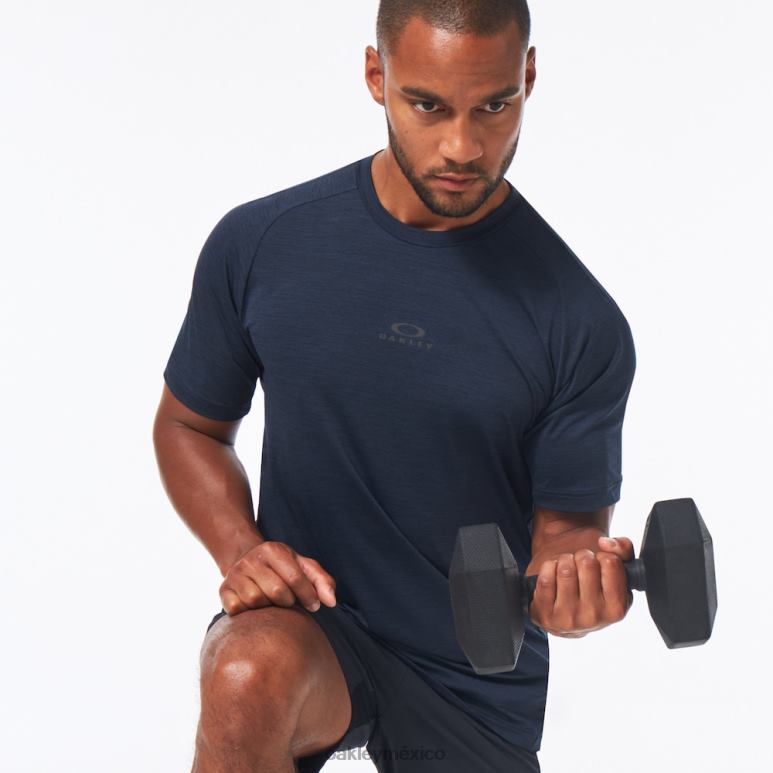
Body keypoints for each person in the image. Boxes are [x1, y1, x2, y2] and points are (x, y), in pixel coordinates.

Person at [153, 1, 638, 770]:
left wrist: (579, 593)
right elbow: (189, 426)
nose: (461, 146)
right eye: (427, 105)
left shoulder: (577, 321)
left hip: (472, 678)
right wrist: (242, 549)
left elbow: (565, 540)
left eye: (494, 106)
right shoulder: (263, 244)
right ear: (376, 76)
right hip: (315, 624)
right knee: (245, 673)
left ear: (528, 77)